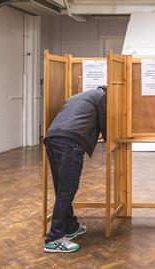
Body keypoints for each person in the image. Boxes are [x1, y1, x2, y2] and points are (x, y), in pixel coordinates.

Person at [43, 86, 107, 253]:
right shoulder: (101, 97)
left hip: (52, 138)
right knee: (68, 188)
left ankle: (71, 226)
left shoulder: (77, 97)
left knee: (62, 187)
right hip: (70, 142)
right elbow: (105, 123)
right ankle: (54, 238)